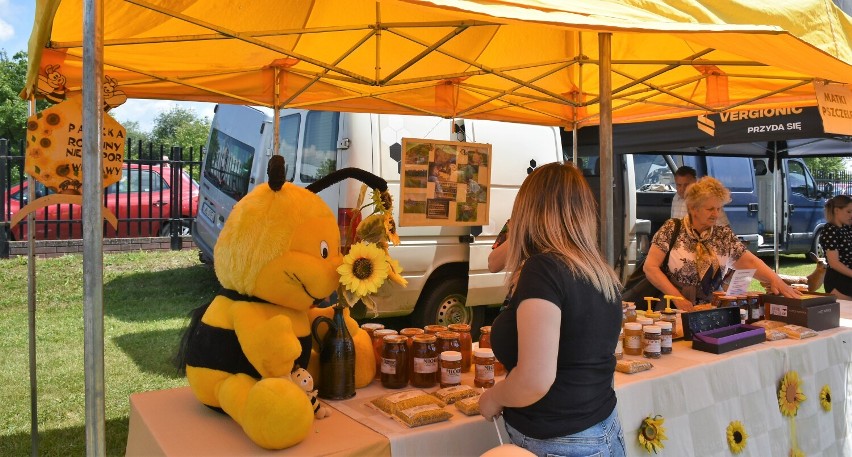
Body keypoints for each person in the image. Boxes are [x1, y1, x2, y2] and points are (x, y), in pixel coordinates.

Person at [479, 162, 626, 457]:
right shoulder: (596, 270)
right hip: (601, 430)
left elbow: (534, 380)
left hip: (559, 441)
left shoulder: (543, 269)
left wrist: (493, 397)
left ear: (527, 211)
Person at [645, 176, 801, 311]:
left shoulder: (723, 235)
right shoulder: (672, 229)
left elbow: (750, 261)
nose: (716, 214)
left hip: (713, 309)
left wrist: (776, 281)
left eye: (719, 208)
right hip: (674, 309)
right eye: (710, 209)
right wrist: (678, 298)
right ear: (693, 208)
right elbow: (650, 267)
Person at [819, 195, 852, 300]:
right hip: (839, 282)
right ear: (837, 210)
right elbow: (834, 263)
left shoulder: (847, 228)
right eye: (848, 212)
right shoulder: (830, 230)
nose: (851, 215)